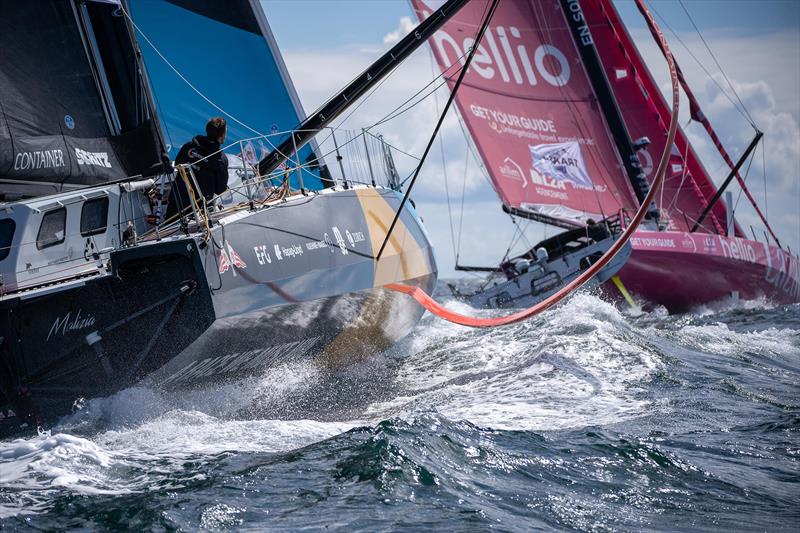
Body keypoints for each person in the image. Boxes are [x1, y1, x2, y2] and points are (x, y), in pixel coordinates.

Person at [165, 117, 229, 219]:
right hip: (197, 212)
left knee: (166, 230)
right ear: (221, 136)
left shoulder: (189, 146)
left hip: (176, 202)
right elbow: (220, 189)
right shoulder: (220, 159)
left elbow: (177, 164)